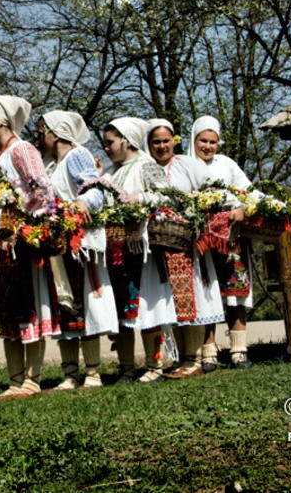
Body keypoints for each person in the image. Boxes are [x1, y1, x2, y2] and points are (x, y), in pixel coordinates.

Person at [0, 95, 60, 400]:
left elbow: (43, 191)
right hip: (2, 242)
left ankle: (32, 380)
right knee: (9, 309)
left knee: (28, 307)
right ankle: (14, 380)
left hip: (23, 240)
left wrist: (19, 214)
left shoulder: (22, 149)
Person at [37, 111, 118, 390]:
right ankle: (70, 374)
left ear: (56, 133)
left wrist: (83, 203)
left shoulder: (77, 155)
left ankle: (93, 373)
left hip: (80, 241)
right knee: (65, 304)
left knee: (86, 302)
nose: (38, 137)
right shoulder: (49, 165)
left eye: (41, 131)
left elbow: (95, 189)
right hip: (57, 243)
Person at [146, 118, 224, 379]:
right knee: (169, 301)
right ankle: (179, 358)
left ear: (174, 141)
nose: (161, 146)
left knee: (187, 297)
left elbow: (211, 190)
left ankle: (194, 359)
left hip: (185, 242)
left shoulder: (187, 165)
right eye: (156, 141)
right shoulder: (145, 168)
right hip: (158, 243)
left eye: (166, 140)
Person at [101, 117, 175, 383]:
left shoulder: (145, 165)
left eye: (110, 142)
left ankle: (155, 366)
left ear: (126, 140)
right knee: (121, 308)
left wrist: (140, 198)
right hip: (115, 246)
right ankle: (126, 368)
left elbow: (169, 195)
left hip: (140, 247)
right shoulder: (109, 172)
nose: (106, 147)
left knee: (146, 305)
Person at [188, 116, 253, 370]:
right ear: (194, 140)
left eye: (213, 142)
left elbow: (246, 190)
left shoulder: (226, 164)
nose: (208, 146)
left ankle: (239, 350)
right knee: (206, 293)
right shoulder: (185, 165)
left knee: (235, 293)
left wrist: (241, 207)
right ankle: (208, 352)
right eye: (203, 140)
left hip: (231, 239)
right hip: (200, 241)